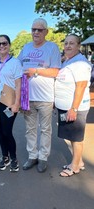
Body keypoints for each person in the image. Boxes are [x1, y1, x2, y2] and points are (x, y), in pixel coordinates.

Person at [18, 18, 61, 173]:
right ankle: (32, 156)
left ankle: (43, 157)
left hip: (45, 98)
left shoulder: (52, 48)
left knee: (45, 129)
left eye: (39, 30)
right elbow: (16, 65)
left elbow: (56, 71)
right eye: (33, 29)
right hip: (27, 97)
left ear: (46, 32)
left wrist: (34, 71)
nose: (36, 32)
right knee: (30, 129)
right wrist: (0, 59)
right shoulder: (26, 47)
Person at [55, 34, 91, 177]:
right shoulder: (68, 61)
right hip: (66, 106)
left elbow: (81, 86)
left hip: (75, 107)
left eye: (72, 43)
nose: (68, 46)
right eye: (66, 43)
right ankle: (79, 161)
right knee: (70, 136)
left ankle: (74, 166)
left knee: (76, 138)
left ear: (78, 46)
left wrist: (74, 108)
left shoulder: (80, 64)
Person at [0, 34, 22, 172]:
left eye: (4, 43)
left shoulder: (15, 63)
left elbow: (18, 85)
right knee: (1, 130)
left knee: (7, 131)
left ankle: (13, 158)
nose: (1, 46)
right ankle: (5, 157)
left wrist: (16, 104)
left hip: (8, 103)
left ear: (9, 45)